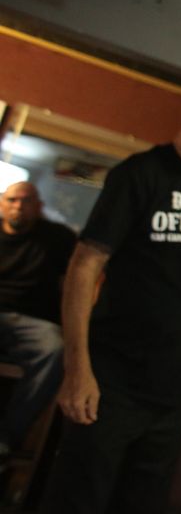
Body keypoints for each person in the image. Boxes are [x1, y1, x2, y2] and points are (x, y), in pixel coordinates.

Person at [40, 63, 181, 514]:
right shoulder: (141, 173)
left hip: (175, 393)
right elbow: (84, 266)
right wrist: (77, 368)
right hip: (110, 383)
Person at [0, 182, 76, 463]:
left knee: (55, 350)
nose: (18, 206)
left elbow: (81, 277)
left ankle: (5, 438)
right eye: (12, 200)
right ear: (1, 204)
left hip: (33, 321)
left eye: (26, 201)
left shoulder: (57, 237)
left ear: (39, 206)